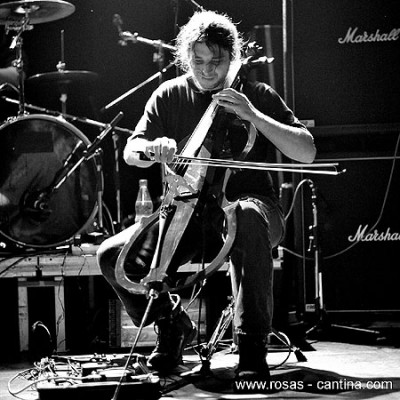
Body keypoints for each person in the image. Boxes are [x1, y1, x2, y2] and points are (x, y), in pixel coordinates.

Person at [97, 9, 316, 387]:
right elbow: (132, 151)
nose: (207, 71)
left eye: (216, 62)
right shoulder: (170, 94)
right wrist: (153, 147)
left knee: (245, 215)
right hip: (187, 211)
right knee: (111, 255)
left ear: (233, 58)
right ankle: (172, 325)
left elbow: (307, 152)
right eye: (198, 62)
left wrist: (253, 115)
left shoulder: (255, 94)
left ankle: (252, 348)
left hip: (255, 209)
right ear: (186, 58)